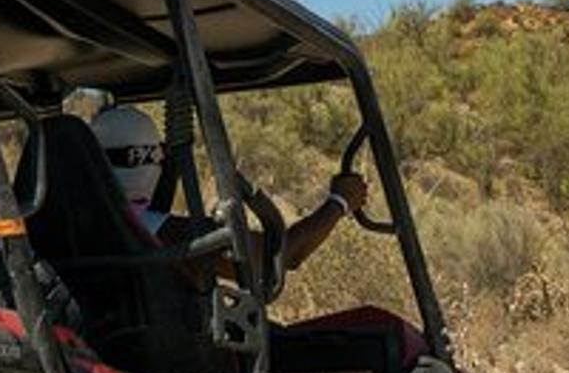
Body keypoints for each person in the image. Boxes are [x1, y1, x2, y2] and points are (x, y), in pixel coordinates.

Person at [90, 104, 368, 274]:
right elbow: (284, 254)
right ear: (149, 159)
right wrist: (340, 202)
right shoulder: (166, 236)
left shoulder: (78, 228)